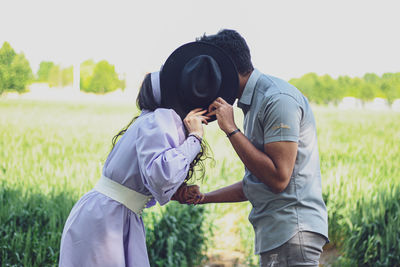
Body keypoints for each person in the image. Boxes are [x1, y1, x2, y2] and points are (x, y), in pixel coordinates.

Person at [59, 41, 239, 267]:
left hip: (112, 215)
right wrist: (195, 139)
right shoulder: (160, 119)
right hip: (106, 221)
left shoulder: (157, 118)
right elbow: (160, 174)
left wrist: (178, 192)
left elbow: (145, 177)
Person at [187, 29, 329, 266]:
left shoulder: (277, 99)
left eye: (213, 75)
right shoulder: (253, 105)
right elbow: (257, 182)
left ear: (226, 69)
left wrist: (231, 130)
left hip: (293, 233)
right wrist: (203, 198)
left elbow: (278, 178)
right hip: (278, 234)